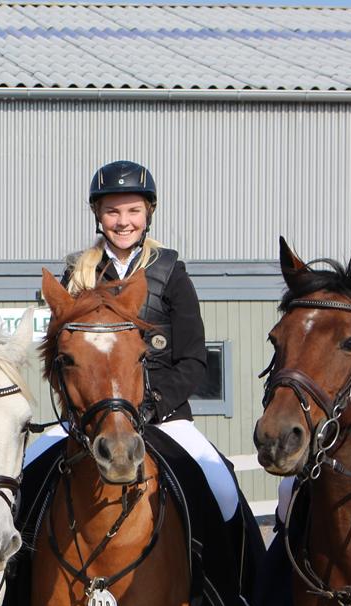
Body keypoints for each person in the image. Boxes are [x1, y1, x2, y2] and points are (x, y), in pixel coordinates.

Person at [27, 160, 241, 523]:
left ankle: (242, 561)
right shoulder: (77, 275)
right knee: (25, 477)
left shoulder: (171, 273)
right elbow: (58, 361)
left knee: (223, 490)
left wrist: (150, 405)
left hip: (164, 417)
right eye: (112, 211)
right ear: (98, 215)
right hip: (90, 419)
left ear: (148, 213)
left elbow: (192, 359)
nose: (123, 221)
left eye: (133, 211)